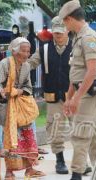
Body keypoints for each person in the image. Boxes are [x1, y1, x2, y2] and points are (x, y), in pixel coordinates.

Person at [59, 1, 96, 179]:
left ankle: (77, 175)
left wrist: (76, 99)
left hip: (89, 94)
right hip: (82, 93)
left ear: (70, 19)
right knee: (92, 136)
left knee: (80, 136)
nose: (64, 26)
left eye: (65, 22)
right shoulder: (78, 38)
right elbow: (76, 75)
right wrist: (69, 97)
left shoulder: (89, 38)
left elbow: (92, 71)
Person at [0, 37, 45, 179]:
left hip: (21, 107)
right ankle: (9, 171)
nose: (27, 54)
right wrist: (3, 93)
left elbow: (28, 86)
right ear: (15, 51)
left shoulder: (26, 65)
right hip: (7, 106)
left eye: (28, 51)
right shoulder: (4, 64)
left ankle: (30, 169)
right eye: (24, 51)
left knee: (28, 137)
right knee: (11, 140)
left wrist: (19, 92)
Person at [28, 16, 72, 174]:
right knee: (54, 129)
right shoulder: (44, 49)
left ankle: (81, 161)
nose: (58, 36)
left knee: (81, 130)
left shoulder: (76, 47)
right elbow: (31, 63)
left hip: (74, 97)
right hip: (53, 98)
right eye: (56, 33)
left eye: (61, 32)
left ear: (68, 31)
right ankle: (60, 160)